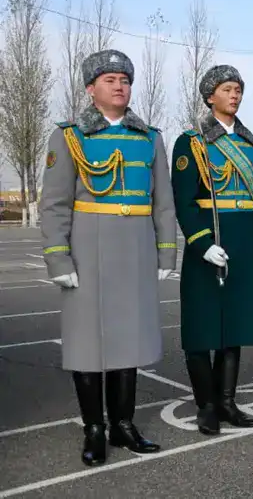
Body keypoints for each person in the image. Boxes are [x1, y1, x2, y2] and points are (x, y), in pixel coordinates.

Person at [40, 49, 174, 466]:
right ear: (90, 88)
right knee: (86, 343)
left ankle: (123, 424)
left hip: (135, 249)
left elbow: (163, 202)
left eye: (125, 80)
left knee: (128, 340)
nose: (120, 87)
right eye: (110, 80)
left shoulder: (150, 138)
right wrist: (59, 261)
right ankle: (94, 428)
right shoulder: (69, 137)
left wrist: (166, 249)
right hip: (88, 250)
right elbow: (54, 205)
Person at [171, 65, 253, 435]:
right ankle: (207, 405)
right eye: (228, 89)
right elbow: (184, 200)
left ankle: (228, 401)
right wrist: (201, 243)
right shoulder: (192, 142)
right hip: (209, 242)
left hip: (244, 240)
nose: (235, 95)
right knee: (202, 327)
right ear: (210, 96)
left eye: (238, 89)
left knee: (235, 325)